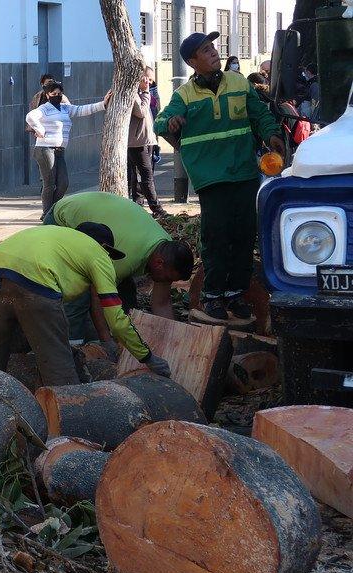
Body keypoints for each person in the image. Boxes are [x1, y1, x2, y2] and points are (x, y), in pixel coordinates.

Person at [155, 31, 284, 325]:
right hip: (210, 178)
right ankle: (213, 295)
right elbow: (161, 122)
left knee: (243, 234)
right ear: (192, 62)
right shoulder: (184, 95)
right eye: (205, 50)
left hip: (244, 173)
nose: (214, 52)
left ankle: (236, 294)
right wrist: (172, 123)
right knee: (216, 236)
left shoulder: (238, 83)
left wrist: (272, 134)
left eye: (213, 47)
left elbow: (259, 115)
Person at [0, 223, 171, 387]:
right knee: (60, 372)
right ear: (104, 247)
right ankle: (67, 421)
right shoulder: (98, 254)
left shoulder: (57, 237)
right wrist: (147, 357)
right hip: (36, 283)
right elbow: (117, 320)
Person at [43, 192, 196, 346]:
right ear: (159, 263)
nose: (167, 282)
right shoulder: (126, 261)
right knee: (79, 293)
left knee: (126, 293)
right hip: (62, 219)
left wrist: (173, 341)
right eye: (168, 278)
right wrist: (107, 341)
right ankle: (71, 346)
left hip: (101, 218)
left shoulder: (168, 250)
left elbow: (162, 303)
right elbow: (97, 295)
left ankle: (120, 337)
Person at [25, 81, 110, 218]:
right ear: (47, 95)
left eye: (59, 94)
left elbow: (82, 110)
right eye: (54, 94)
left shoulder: (65, 108)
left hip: (59, 150)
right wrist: (39, 129)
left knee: (63, 183)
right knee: (49, 183)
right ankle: (47, 213)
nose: (57, 96)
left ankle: (52, 210)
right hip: (45, 149)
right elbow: (30, 117)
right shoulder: (45, 108)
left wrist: (103, 104)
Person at [127, 72, 165, 216]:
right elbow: (141, 112)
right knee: (145, 174)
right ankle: (155, 208)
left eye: (149, 79)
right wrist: (145, 91)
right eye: (144, 79)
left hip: (147, 140)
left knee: (142, 175)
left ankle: (139, 204)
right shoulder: (134, 94)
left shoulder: (145, 93)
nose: (147, 81)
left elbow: (153, 111)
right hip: (137, 142)